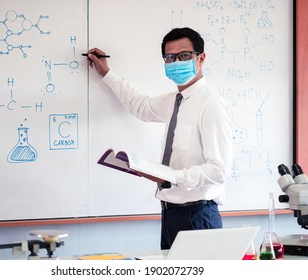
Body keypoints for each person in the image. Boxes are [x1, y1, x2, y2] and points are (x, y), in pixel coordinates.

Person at [86, 27, 233, 250]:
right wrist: (107, 73)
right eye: (170, 57)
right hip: (171, 213)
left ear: (201, 58)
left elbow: (219, 170)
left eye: (184, 56)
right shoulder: (173, 100)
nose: (176, 62)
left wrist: (171, 176)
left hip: (198, 216)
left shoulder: (210, 104)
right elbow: (140, 106)